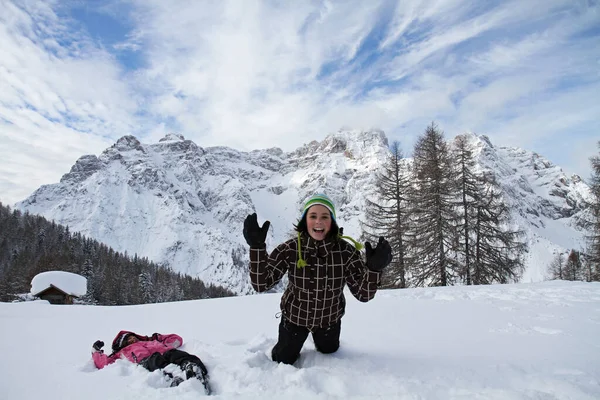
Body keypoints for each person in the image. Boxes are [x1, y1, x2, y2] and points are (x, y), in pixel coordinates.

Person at [243, 193, 392, 365]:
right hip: (295, 318)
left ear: (333, 222)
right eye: (312, 216)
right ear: (305, 221)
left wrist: (373, 270)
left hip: (329, 320)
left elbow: (363, 295)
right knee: (283, 359)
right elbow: (261, 284)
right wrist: (257, 248)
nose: (318, 222)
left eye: (324, 217)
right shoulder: (290, 249)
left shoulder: (346, 252)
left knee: (329, 351)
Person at [91, 330, 211, 394]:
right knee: (156, 360)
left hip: (166, 352)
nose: (132, 339)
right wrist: (96, 351)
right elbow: (104, 363)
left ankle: (193, 368)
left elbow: (177, 339)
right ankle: (174, 377)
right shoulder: (121, 353)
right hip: (146, 361)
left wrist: (158, 338)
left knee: (179, 354)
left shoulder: (151, 341)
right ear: (123, 344)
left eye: (133, 336)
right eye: (128, 339)